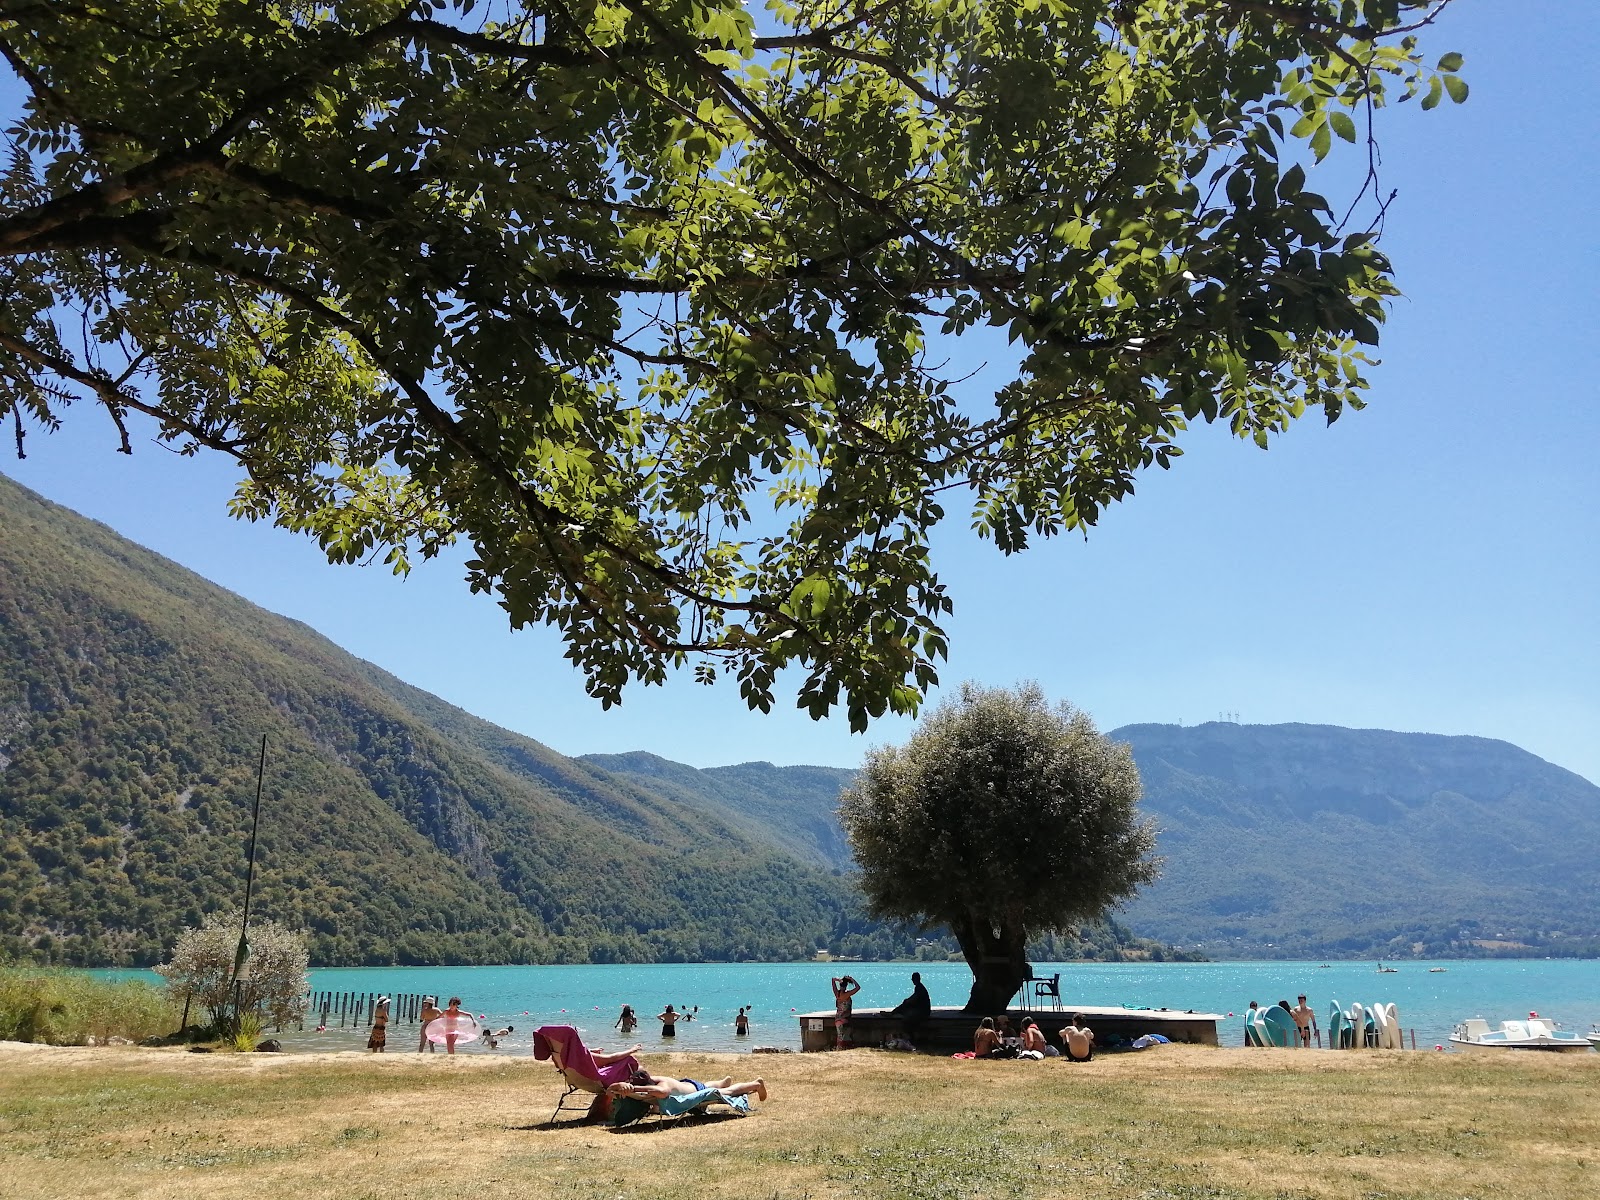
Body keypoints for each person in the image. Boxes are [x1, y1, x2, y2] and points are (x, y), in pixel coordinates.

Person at [607, 1073, 768, 1104]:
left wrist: (632, 1089)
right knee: (709, 1085)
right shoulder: (654, 1079)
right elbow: (609, 1091)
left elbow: (663, 1094)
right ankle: (722, 1081)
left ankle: (756, 1084)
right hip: (688, 1085)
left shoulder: (662, 1086)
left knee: (729, 1092)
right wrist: (617, 1085)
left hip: (697, 1093)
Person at [889, 970, 932, 1040]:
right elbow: (914, 997)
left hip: (923, 1012)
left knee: (906, 1018)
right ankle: (892, 1013)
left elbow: (915, 998)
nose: (913, 981)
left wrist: (907, 1001)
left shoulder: (919, 988)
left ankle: (911, 1037)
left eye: (913, 979)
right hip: (921, 1009)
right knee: (905, 1005)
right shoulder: (919, 987)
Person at [831, 975, 861, 1049]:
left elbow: (832, 980)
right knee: (847, 1035)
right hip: (845, 1018)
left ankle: (839, 1047)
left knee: (839, 1035)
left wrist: (838, 980)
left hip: (837, 1018)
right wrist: (852, 979)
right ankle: (846, 1047)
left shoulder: (837, 994)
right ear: (846, 986)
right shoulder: (846, 995)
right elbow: (858, 987)